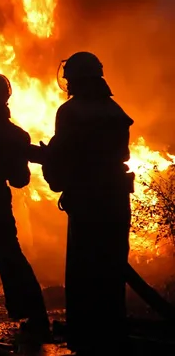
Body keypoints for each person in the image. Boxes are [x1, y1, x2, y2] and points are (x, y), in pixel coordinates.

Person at [42, 52, 134, 354]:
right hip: (116, 198)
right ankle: (112, 331)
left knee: (84, 267)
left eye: (69, 79)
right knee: (112, 265)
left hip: (87, 199)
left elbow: (62, 152)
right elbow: (122, 154)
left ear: (76, 80)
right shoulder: (114, 109)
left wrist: (54, 174)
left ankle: (85, 335)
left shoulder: (71, 111)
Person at [0, 73, 51, 342]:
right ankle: (37, 318)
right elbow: (19, 180)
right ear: (5, 97)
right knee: (11, 260)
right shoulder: (15, 134)